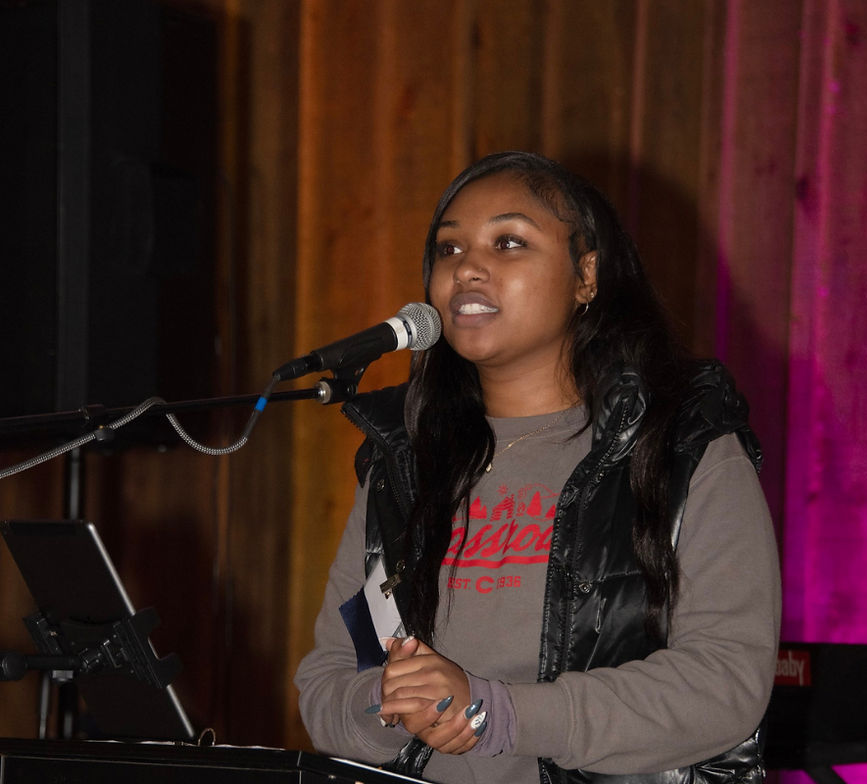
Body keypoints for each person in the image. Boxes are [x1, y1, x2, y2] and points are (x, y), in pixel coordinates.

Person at [294, 151, 781, 784]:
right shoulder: (405, 462)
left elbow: (724, 685)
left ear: (586, 276)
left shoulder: (683, 448)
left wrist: (501, 714)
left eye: (509, 241)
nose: (467, 267)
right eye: (448, 250)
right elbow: (330, 678)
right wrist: (389, 707)